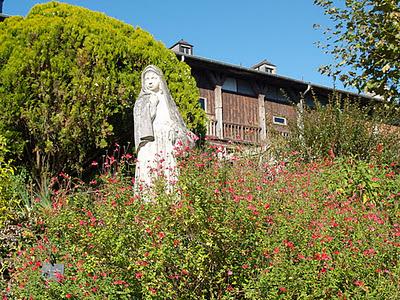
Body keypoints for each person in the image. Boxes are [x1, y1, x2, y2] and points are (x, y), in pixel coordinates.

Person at [133, 65, 194, 191]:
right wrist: (152, 105)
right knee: (149, 172)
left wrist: (174, 130)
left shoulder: (166, 100)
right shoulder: (142, 101)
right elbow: (141, 123)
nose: (149, 81)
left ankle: (170, 203)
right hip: (150, 142)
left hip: (166, 142)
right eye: (147, 79)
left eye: (153, 78)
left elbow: (175, 121)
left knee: (168, 172)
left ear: (159, 80)